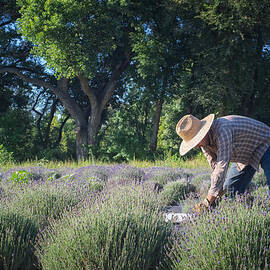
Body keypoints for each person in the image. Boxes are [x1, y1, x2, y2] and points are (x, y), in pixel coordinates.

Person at [176, 114, 270, 212]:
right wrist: (216, 194)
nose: (195, 147)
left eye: (196, 141)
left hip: (265, 142)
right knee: (230, 192)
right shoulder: (204, 144)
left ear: (203, 132)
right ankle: (250, 213)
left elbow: (221, 166)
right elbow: (214, 167)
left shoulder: (223, 130)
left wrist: (207, 201)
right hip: (245, 155)